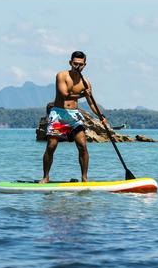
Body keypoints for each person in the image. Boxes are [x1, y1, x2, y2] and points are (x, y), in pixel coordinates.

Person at [41, 50, 109, 183]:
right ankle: (45, 177)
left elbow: (91, 103)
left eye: (80, 64)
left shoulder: (86, 83)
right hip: (59, 114)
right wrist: (83, 94)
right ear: (70, 63)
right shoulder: (62, 75)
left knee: (82, 145)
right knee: (51, 145)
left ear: (85, 65)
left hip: (74, 116)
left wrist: (101, 116)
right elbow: (64, 94)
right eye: (75, 63)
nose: (77, 66)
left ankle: (84, 178)